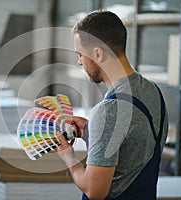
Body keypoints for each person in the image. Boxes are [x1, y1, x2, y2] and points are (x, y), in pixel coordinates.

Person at [56, 10, 168, 200]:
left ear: (98, 54)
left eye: (80, 55)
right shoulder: (153, 91)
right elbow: (133, 153)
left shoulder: (108, 111)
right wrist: (93, 132)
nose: (79, 62)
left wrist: (69, 158)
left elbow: (95, 191)